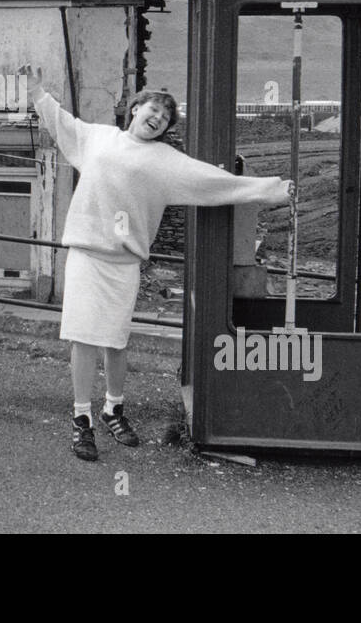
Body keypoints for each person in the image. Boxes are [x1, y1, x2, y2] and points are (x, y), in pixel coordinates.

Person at [23, 66, 293, 462]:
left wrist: (273, 189)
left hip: (124, 263)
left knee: (116, 341)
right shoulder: (95, 138)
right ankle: (82, 421)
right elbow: (59, 120)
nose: (158, 119)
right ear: (135, 108)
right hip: (85, 256)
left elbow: (215, 182)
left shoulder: (167, 160)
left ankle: (114, 408)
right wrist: (36, 91)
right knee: (83, 339)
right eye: (153, 109)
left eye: (165, 118)